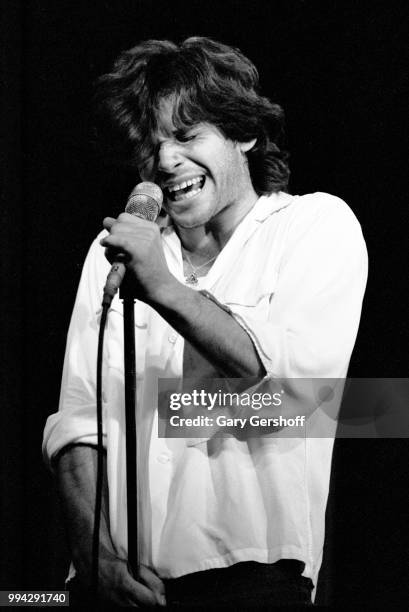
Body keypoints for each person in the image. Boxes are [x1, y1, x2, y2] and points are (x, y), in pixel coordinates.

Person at [43, 37, 368, 608]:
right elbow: (77, 424)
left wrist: (163, 293)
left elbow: (293, 404)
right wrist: (96, 557)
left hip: (250, 580)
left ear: (244, 133)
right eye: (152, 145)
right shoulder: (114, 252)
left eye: (188, 136)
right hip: (111, 585)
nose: (166, 160)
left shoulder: (314, 227)